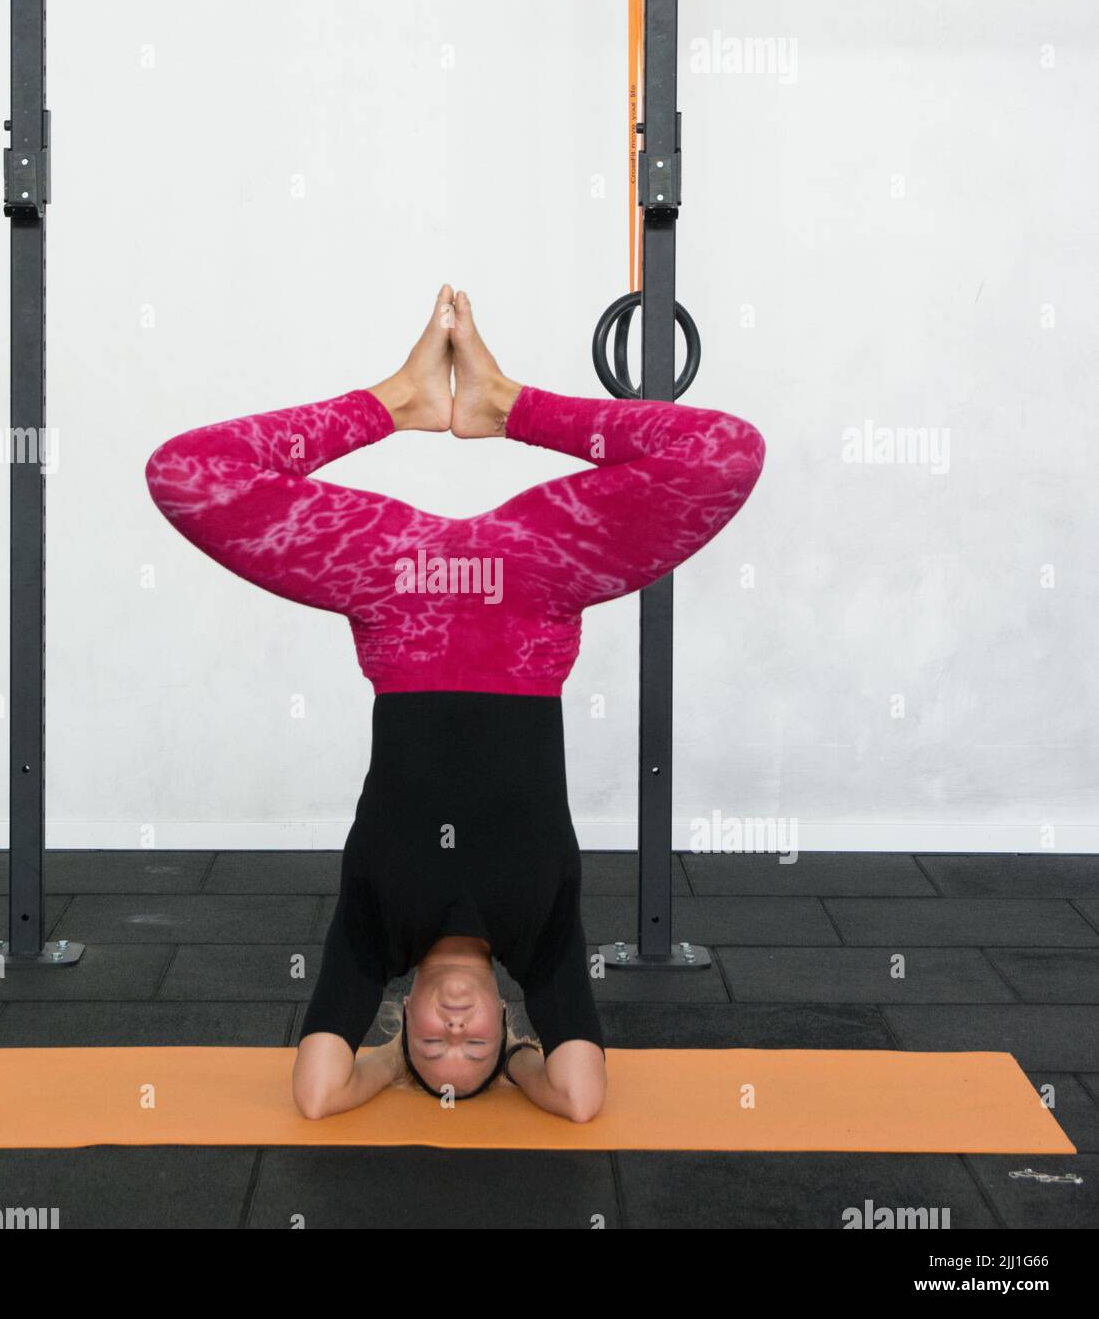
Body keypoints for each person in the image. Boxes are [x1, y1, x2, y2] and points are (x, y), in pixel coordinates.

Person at [145, 286, 765, 1121]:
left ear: (403, 1021)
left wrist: (389, 1069)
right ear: (511, 1018)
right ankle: (500, 400)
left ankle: (397, 399)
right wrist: (515, 1069)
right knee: (728, 453)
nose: (456, 1031)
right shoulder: (539, 944)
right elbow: (580, 1098)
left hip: (399, 585)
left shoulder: (377, 937)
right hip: (535, 577)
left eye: (433, 1042)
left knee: (184, 475)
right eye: (476, 1046)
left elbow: (320, 1093)